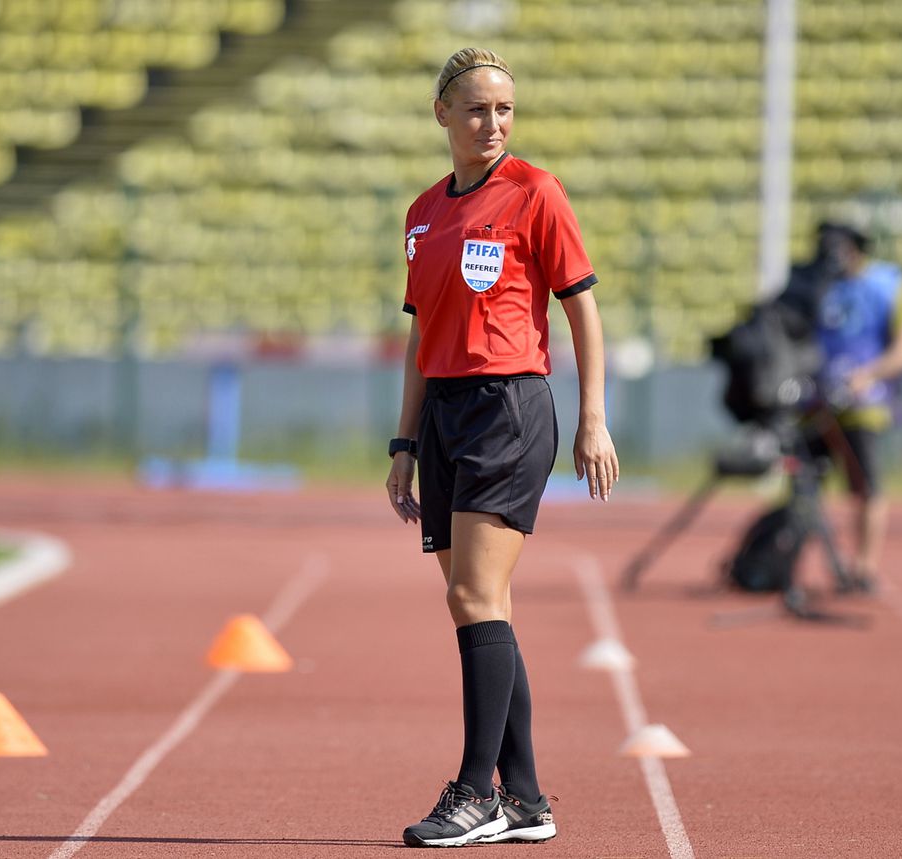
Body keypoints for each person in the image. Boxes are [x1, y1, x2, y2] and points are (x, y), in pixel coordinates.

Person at [385, 47, 619, 848]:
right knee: (483, 605)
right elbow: (422, 336)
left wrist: (594, 418)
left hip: (510, 407)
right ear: (442, 114)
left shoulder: (535, 192)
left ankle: (473, 790)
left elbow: (582, 309)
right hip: (446, 413)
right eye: (478, 108)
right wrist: (405, 443)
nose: (494, 123)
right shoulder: (421, 212)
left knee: (472, 600)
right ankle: (524, 797)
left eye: (506, 110)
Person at [803, 221, 902, 591]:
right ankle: (793, 565)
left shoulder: (887, 285)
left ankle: (864, 568)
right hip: (814, 402)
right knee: (803, 485)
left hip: (863, 405)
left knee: (866, 487)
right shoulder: (816, 286)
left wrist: (869, 375)